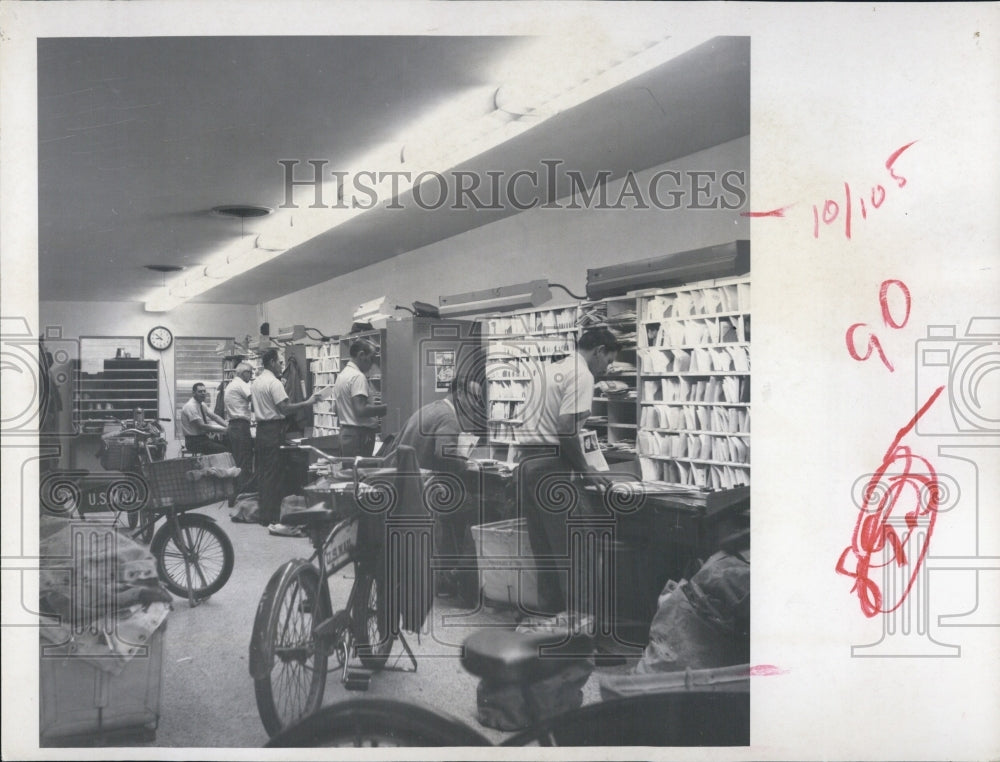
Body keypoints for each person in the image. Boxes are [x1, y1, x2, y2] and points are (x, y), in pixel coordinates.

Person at [517, 327, 621, 618]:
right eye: (609, 361)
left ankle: (550, 633)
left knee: (547, 554)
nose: (607, 369)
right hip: (551, 469)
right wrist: (586, 470)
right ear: (598, 351)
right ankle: (582, 640)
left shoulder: (550, 370)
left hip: (528, 464)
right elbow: (565, 429)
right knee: (579, 554)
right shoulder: (582, 374)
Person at [385, 374, 485, 602]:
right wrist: (465, 463)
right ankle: (458, 573)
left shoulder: (430, 409)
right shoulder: (450, 418)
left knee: (459, 506)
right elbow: (443, 452)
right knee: (483, 509)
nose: (476, 405)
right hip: (427, 493)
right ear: (460, 393)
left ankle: (445, 571)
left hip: (407, 488)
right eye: (474, 398)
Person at [251, 348, 321, 533]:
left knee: (264, 472)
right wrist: (308, 402)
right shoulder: (274, 383)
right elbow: (285, 408)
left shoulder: (257, 381)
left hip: (261, 430)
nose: (282, 366)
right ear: (272, 362)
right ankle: (272, 516)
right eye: (280, 362)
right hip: (273, 430)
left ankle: (264, 514)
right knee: (274, 473)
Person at [333, 338, 387, 457]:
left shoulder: (342, 375)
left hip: (346, 433)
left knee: (350, 472)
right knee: (361, 472)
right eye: (371, 358)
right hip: (359, 436)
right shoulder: (358, 377)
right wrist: (385, 408)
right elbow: (361, 410)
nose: (372, 364)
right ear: (361, 355)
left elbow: (335, 409)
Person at [224, 362, 256, 493]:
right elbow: (255, 399)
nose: (252, 375)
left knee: (238, 461)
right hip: (240, 426)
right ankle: (243, 495)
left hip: (234, 426)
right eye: (251, 373)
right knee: (244, 461)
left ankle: (235, 494)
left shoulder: (231, 384)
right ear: (244, 373)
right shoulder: (241, 384)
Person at [179, 383, 230, 454]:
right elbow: (202, 426)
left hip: (203, 439)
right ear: (193, 393)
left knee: (228, 446)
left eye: (204, 391)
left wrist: (228, 426)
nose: (203, 393)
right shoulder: (190, 406)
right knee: (223, 450)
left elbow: (215, 417)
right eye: (200, 392)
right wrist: (224, 430)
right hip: (194, 442)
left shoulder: (202, 404)